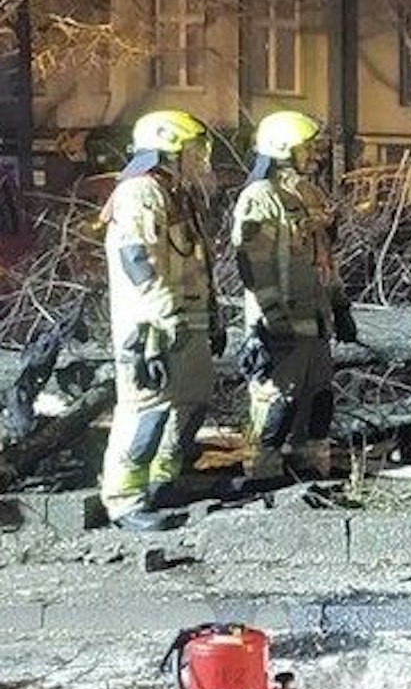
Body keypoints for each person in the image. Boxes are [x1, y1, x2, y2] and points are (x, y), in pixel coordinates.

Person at [99, 109, 222, 531]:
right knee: (145, 409)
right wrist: (162, 314)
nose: (198, 158)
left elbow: (196, 262)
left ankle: (162, 481)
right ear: (169, 147)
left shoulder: (174, 193)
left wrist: (213, 315)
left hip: (186, 321)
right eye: (192, 149)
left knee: (192, 399)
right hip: (150, 327)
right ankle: (124, 500)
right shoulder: (139, 193)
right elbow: (138, 260)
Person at [231, 110, 356, 483]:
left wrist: (339, 305)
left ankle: (309, 467)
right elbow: (254, 266)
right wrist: (269, 321)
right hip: (280, 321)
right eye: (307, 148)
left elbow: (322, 259)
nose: (314, 155)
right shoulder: (259, 198)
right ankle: (261, 474)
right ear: (284, 149)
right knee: (276, 403)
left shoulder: (305, 195)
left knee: (318, 399)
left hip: (314, 320)